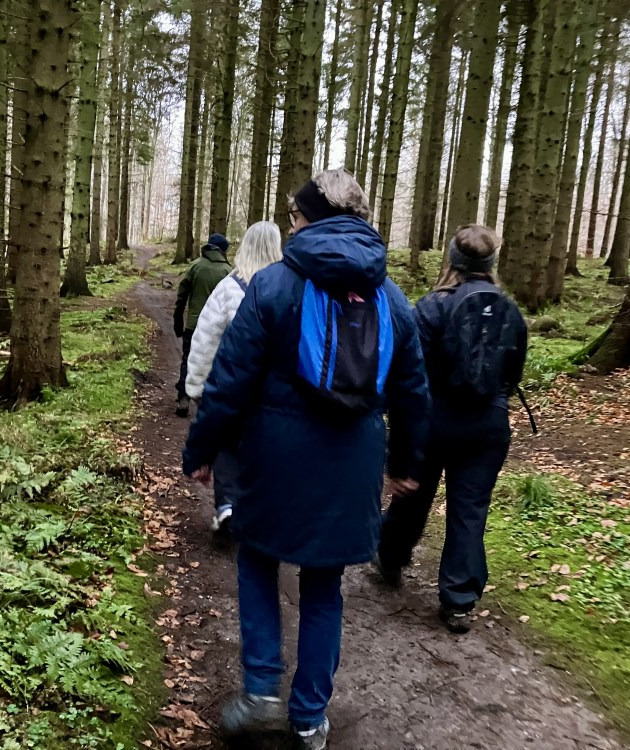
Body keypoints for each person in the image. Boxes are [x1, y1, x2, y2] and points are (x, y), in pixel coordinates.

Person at [182, 170, 430, 749]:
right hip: (354, 462)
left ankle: (262, 692)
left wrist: (203, 449)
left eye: (295, 215)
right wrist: (404, 464)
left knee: (257, 564)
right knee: (324, 587)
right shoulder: (393, 298)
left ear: (312, 218)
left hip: (274, 457)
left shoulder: (271, 287)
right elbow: (415, 392)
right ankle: (311, 717)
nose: (291, 224)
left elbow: (229, 381)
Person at [376, 225, 528, 635]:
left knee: (412, 496)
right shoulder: (509, 310)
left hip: (434, 420)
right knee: (470, 510)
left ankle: (390, 560)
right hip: (487, 425)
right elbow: (513, 372)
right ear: (491, 263)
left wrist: (398, 443)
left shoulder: (429, 307)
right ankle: (459, 601)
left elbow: (408, 375)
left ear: (452, 261)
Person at [185, 221, 284, 535]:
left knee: (228, 445)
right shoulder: (289, 286)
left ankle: (227, 505)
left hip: (232, 386)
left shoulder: (229, 287)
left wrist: (197, 385)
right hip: (274, 393)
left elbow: (205, 339)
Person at [174, 233, 231, 417]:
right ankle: (210, 404)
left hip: (193, 325)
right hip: (216, 328)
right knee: (214, 364)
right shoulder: (227, 272)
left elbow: (181, 295)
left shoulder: (196, 266)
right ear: (223, 251)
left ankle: (183, 398)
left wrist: (177, 319)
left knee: (188, 360)